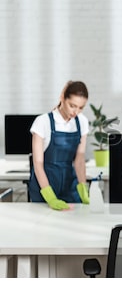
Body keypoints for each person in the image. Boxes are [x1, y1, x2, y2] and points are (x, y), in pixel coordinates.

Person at [29, 81, 90, 210]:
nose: (76, 112)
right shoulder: (43, 122)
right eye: (72, 105)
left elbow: (79, 160)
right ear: (62, 97)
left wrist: (83, 187)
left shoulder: (82, 122)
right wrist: (50, 197)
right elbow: (38, 164)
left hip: (70, 185)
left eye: (81, 107)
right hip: (44, 185)